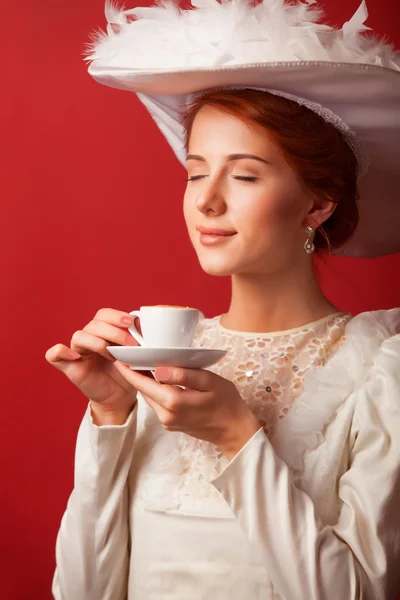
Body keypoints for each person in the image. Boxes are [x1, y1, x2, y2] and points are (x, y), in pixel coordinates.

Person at [45, 0, 400, 598]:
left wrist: (240, 437)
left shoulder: (380, 370)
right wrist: (108, 417)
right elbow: (82, 590)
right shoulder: (155, 364)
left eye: (244, 175)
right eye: (194, 172)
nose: (206, 202)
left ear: (317, 204)